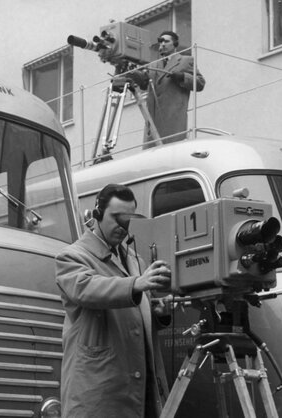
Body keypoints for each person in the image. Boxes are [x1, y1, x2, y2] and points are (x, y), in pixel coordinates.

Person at [55, 183, 172, 418]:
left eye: (129, 219)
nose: (123, 226)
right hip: (99, 391)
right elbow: (86, 289)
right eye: (117, 217)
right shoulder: (72, 257)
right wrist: (136, 284)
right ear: (97, 214)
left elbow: (132, 318)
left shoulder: (134, 259)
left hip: (137, 388)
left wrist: (157, 312)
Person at [139, 30, 206, 149]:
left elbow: (200, 83)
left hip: (173, 119)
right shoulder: (153, 65)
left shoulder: (186, 60)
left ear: (175, 44)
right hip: (153, 121)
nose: (162, 44)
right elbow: (146, 86)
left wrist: (183, 77)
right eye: (160, 41)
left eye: (166, 41)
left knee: (171, 151)